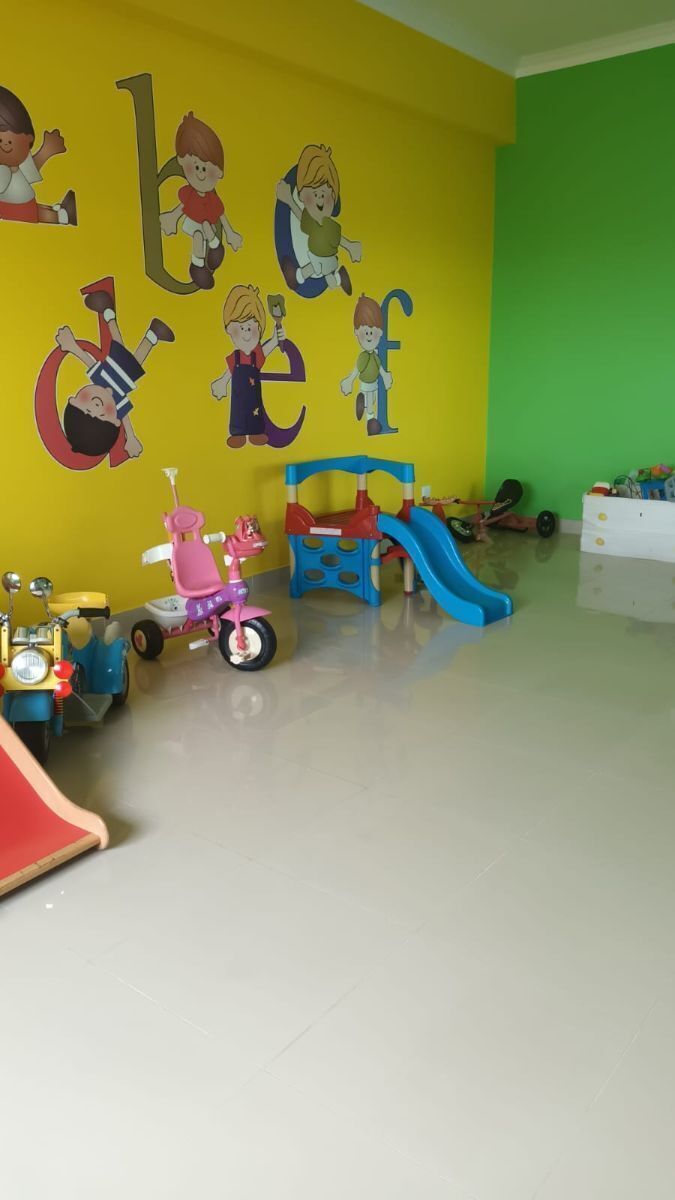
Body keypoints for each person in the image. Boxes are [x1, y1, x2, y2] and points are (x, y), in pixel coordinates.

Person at [55, 289, 174, 460]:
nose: (96, 405)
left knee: (119, 344)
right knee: (134, 357)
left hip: (113, 364)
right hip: (128, 376)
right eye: (102, 414)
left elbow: (89, 361)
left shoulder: (100, 379)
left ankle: (111, 313)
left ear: (74, 400)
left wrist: (72, 347)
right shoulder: (117, 400)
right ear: (115, 421)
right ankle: (150, 333)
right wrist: (130, 437)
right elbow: (125, 417)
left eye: (88, 408)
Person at [160, 112, 242, 290]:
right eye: (196, 166)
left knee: (206, 226)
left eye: (205, 168)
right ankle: (197, 266)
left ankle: (215, 248)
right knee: (198, 235)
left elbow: (221, 215)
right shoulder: (190, 194)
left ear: (218, 172)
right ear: (183, 162)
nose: (200, 173)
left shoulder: (212, 199)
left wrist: (230, 233)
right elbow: (182, 207)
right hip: (194, 222)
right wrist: (172, 217)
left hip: (206, 224)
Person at [276, 144, 361, 294]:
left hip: (325, 259)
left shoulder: (329, 225)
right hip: (323, 259)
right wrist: (289, 200)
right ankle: (337, 277)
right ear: (302, 196)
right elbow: (300, 216)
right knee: (324, 274)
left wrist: (351, 246)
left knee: (318, 271)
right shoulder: (312, 220)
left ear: (333, 197)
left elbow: (338, 238)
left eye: (324, 193)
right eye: (315, 194)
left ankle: (299, 277)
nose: (320, 198)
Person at [211, 284, 285, 449]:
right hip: (238, 396)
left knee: (255, 411)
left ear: (259, 328)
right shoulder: (235, 357)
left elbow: (266, 349)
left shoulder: (256, 355)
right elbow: (229, 372)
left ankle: (256, 432)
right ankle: (237, 434)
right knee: (238, 412)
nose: (246, 333)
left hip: (253, 396)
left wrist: (275, 339)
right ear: (229, 329)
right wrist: (222, 382)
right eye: (241, 327)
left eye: (250, 328)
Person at [0, 86, 76, 225]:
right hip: (11, 206)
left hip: (20, 201)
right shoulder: (4, 170)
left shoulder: (12, 166)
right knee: (36, 213)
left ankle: (58, 211)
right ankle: (60, 217)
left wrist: (46, 151)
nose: (5, 145)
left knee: (35, 209)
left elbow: (30, 170)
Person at [340, 294, 392, 435]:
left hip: (374, 383)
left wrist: (385, 376)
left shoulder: (375, 356)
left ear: (379, 333)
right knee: (369, 400)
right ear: (357, 333)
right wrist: (350, 380)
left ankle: (363, 405)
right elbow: (357, 369)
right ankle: (370, 419)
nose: (369, 336)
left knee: (373, 398)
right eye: (366, 332)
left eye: (372, 332)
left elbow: (380, 367)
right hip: (366, 383)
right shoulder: (363, 357)